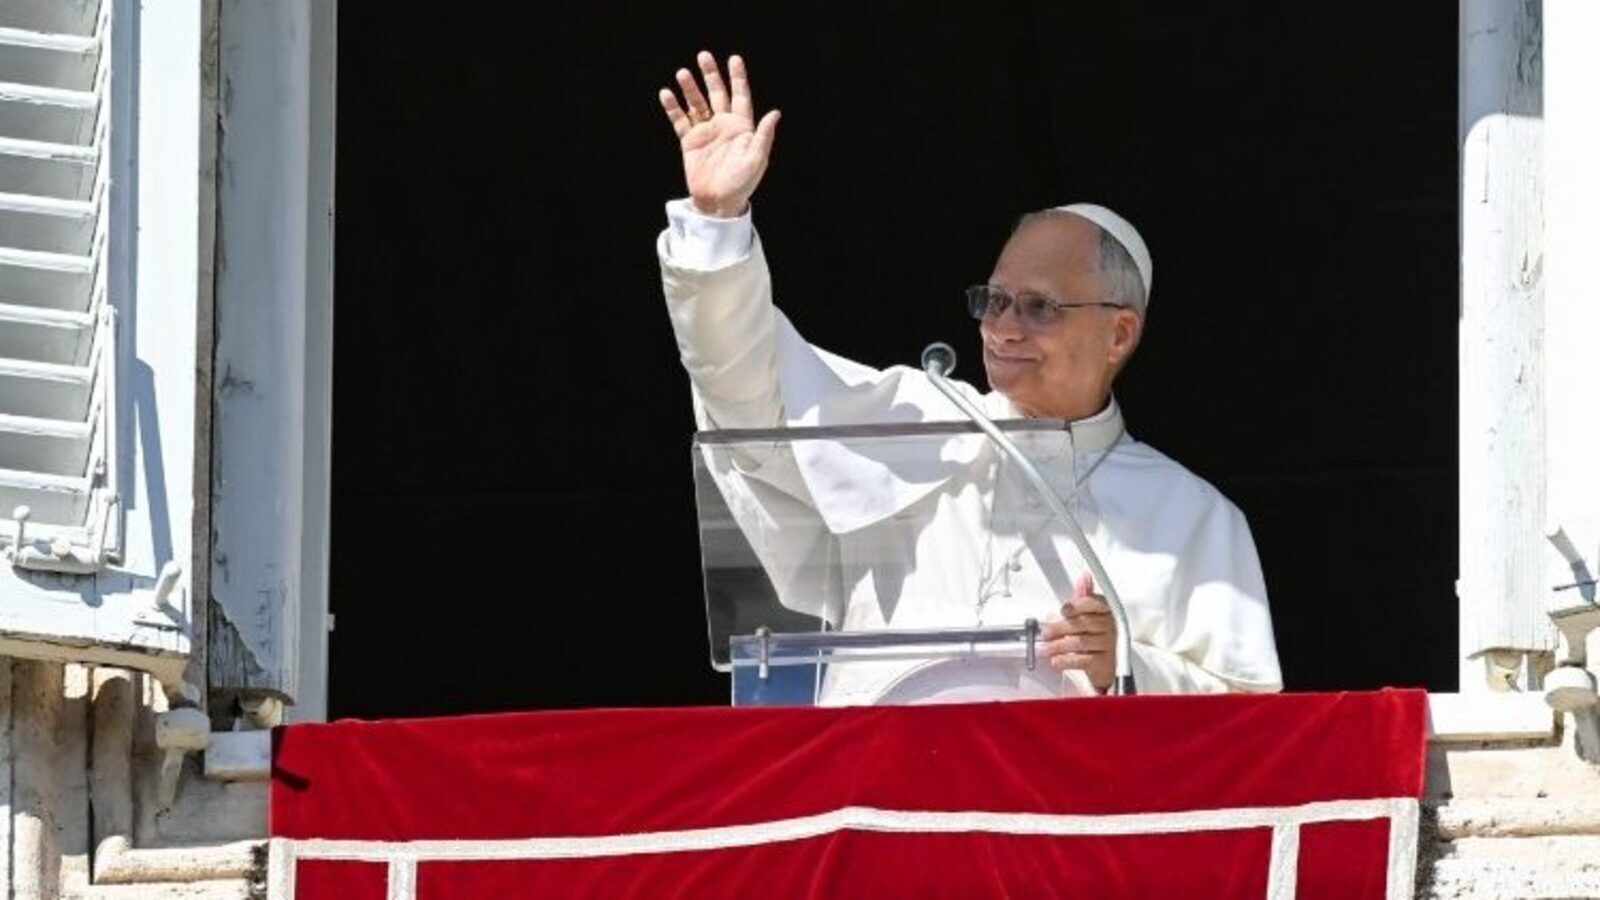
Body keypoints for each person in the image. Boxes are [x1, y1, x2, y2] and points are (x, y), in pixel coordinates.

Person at [657, 52, 1282, 703]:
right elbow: (743, 391)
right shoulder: (909, 429)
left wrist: (1127, 665)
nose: (1004, 328)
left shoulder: (1191, 517)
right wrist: (716, 225)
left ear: (1119, 333)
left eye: (1039, 307)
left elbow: (1246, 730)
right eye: (994, 300)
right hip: (873, 791)